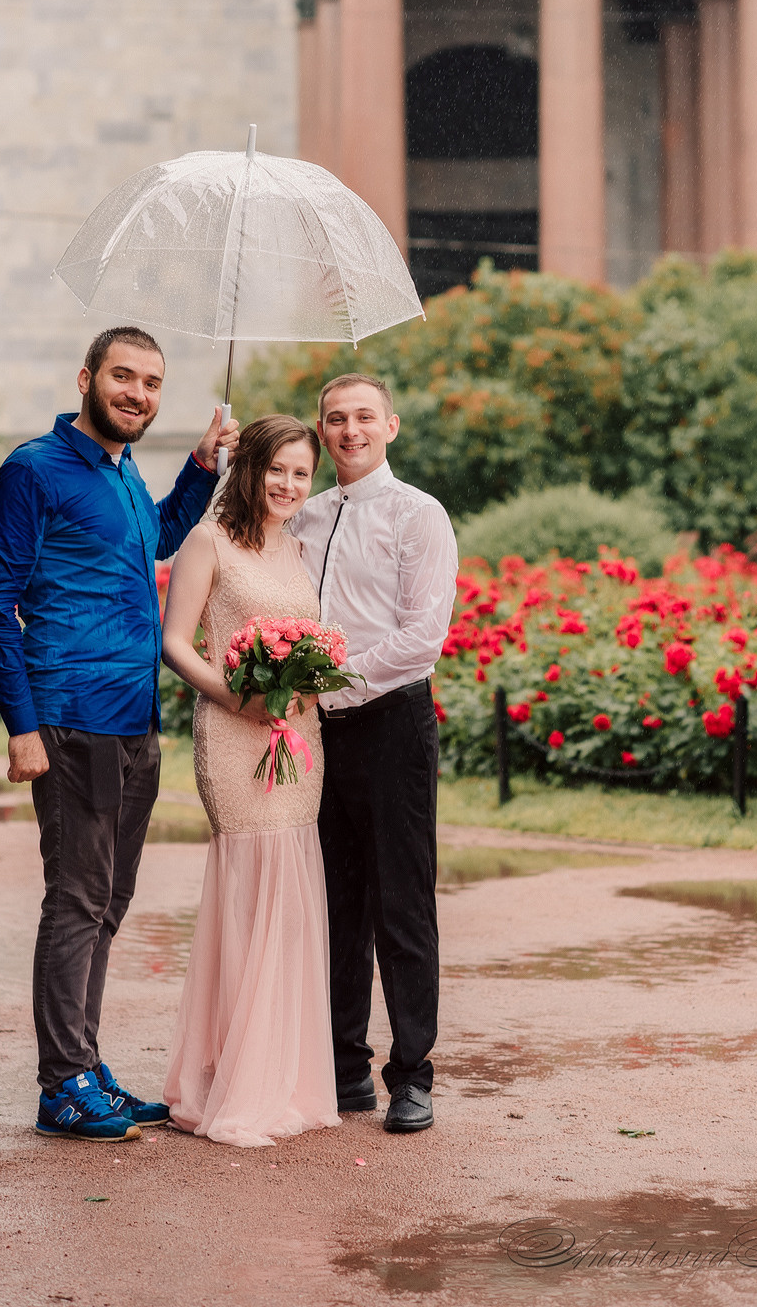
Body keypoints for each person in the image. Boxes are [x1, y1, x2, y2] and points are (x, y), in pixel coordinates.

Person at [0, 325, 238, 1143]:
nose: (138, 394)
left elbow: (155, 539)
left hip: (133, 718)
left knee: (109, 901)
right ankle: (62, 1086)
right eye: (124, 376)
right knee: (78, 897)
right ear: (87, 377)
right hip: (69, 714)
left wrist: (199, 469)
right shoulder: (32, 470)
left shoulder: (122, 473)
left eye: (152, 383)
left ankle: (84, 1064)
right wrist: (21, 727)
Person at [160, 415, 340, 1148]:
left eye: (302, 473)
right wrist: (240, 697)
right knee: (248, 889)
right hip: (234, 734)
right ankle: (231, 1080)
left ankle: (287, 1079)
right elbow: (174, 642)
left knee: (291, 894)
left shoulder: (298, 548)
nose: (290, 485)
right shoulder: (209, 540)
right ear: (250, 465)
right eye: (278, 469)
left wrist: (304, 683)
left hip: (299, 738)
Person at [290, 375, 458, 1134]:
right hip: (317, 731)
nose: (349, 430)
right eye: (334, 419)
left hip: (391, 722)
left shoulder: (418, 514)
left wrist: (337, 685)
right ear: (320, 432)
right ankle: (344, 1067)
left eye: (363, 417)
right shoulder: (303, 515)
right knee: (336, 901)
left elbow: (425, 635)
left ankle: (412, 1073)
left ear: (390, 424)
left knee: (401, 901)